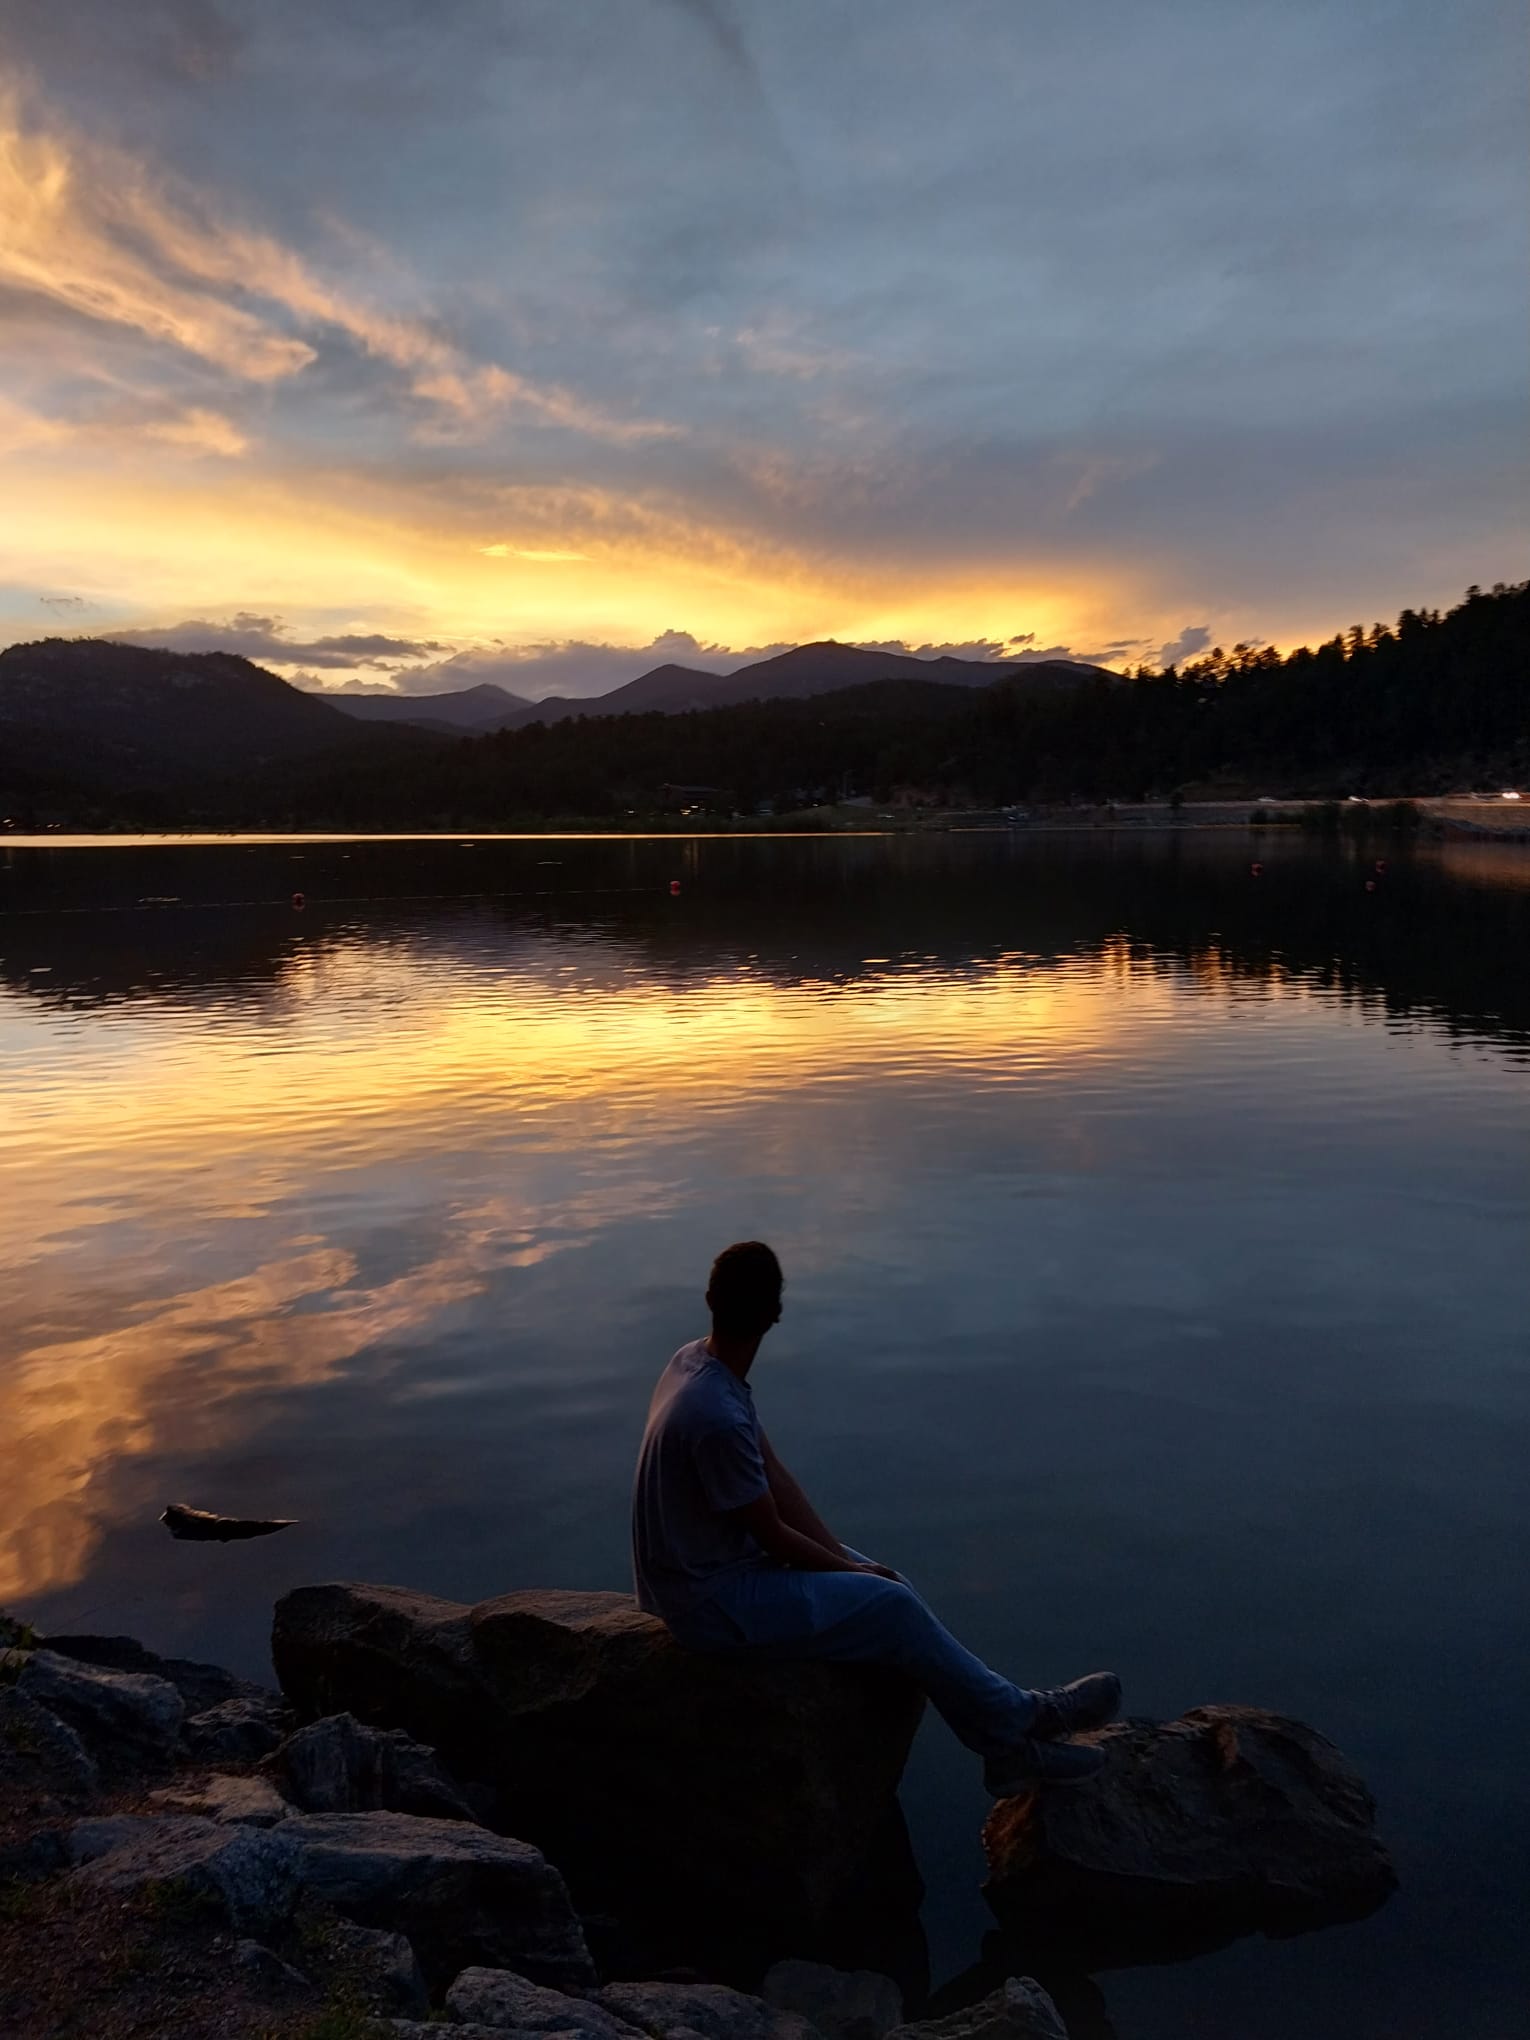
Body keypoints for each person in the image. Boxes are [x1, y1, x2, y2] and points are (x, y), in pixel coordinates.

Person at [632, 1240, 1121, 1794]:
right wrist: (853, 1577)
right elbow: (770, 1532)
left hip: (714, 1568)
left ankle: (1008, 1741)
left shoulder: (694, 1362)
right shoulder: (714, 1414)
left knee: (893, 1588)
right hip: (709, 1603)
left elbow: (773, 1477)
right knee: (888, 1603)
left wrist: (844, 1562)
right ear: (775, 1313)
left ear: (710, 1300)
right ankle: (1021, 1722)